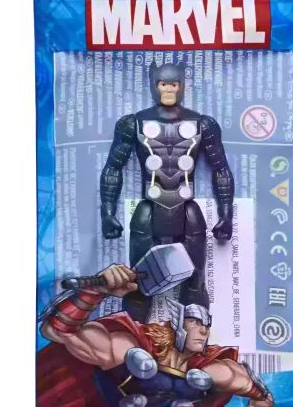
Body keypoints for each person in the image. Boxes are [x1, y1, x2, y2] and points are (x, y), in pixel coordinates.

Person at [36, 264, 273, 407]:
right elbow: (59, 330)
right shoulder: (128, 345)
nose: (203, 330)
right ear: (176, 318)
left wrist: (260, 397)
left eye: (207, 324)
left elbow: (250, 387)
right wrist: (94, 291)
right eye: (195, 321)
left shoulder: (210, 369)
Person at [100, 62, 234, 321]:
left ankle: (194, 338)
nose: (169, 89)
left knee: (195, 280)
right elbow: (113, 168)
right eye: (163, 84)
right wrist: (107, 212)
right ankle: (131, 338)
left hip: (187, 210)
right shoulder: (133, 123)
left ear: (182, 85)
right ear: (154, 85)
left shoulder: (203, 124)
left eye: (174, 84)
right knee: (139, 282)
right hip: (149, 208)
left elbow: (221, 169)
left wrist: (226, 214)